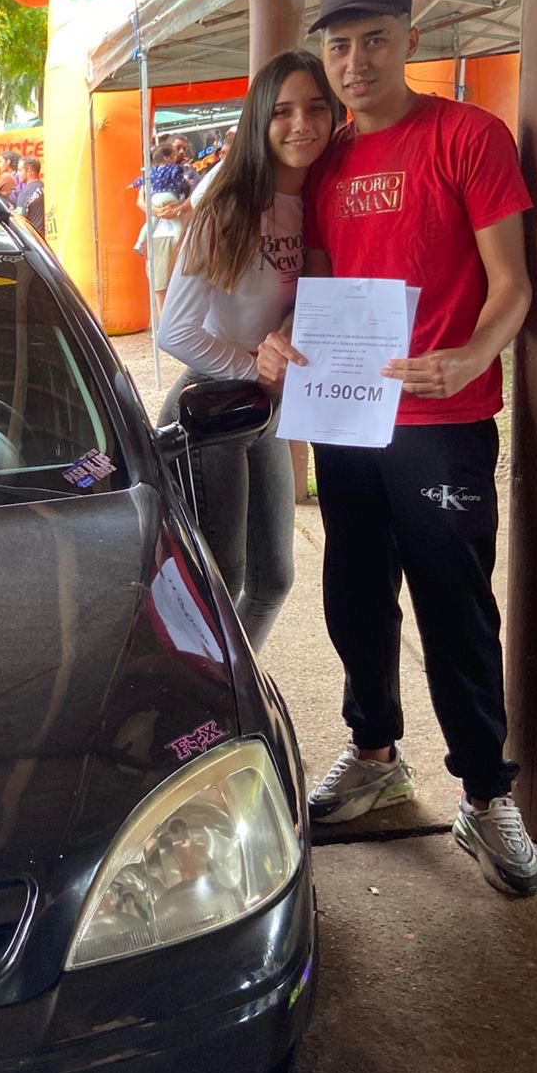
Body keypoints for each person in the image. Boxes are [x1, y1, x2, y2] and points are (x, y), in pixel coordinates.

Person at [256, 0, 537, 897]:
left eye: (375, 39)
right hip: (347, 413)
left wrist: (473, 353)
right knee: (353, 593)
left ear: (410, 39)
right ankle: (375, 752)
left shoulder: (468, 136)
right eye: (339, 45)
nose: (356, 62)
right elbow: (319, 286)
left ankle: (485, 791)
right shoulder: (324, 159)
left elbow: (513, 285)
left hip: (442, 417)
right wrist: (281, 341)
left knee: (455, 607)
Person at [156, 49, 342, 653]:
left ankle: (235, 688)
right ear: (260, 119)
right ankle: (197, 691)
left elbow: (308, 298)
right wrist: (253, 367)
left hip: (267, 409)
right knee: (217, 583)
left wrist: (285, 340)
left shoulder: (322, 204)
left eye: (316, 107)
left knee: (273, 582)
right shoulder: (228, 207)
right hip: (210, 408)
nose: (301, 124)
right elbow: (174, 331)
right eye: (283, 110)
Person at [15, 155, 45, 236]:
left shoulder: (24, 193)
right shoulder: (46, 187)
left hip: (34, 238)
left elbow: (19, 220)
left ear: (29, 172)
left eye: (20, 170)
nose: (17, 174)